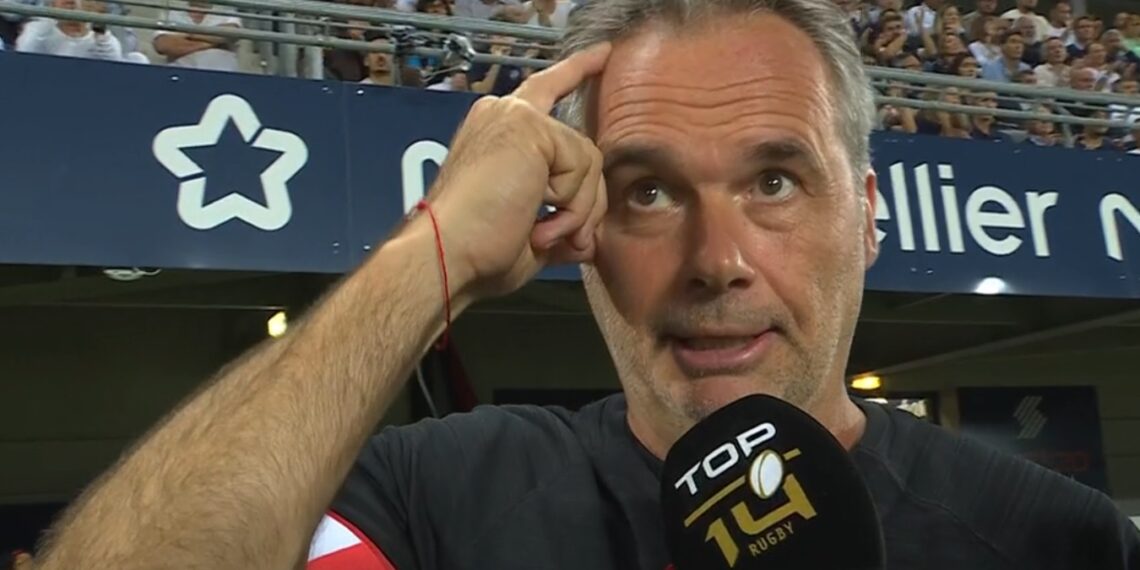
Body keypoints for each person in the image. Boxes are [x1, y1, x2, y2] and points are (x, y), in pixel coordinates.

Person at [25, 1, 1140, 569]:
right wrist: (432, 254)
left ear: (869, 215)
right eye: (649, 191)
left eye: (775, 181)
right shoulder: (436, 501)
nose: (716, 259)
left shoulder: (1056, 540)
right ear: (582, 226)